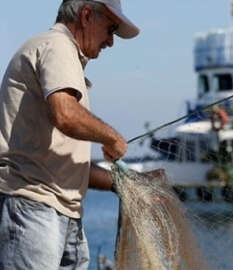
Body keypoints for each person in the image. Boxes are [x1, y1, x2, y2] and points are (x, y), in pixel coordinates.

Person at [0, 0, 140, 269]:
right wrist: (112, 137)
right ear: (86, 15)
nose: (111, 41)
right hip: (33, 209)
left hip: (60, 215)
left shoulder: (66, 59)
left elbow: (65, 164)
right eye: (110, 29)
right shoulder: (58, 46)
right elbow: (65, 114)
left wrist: (118, 182)